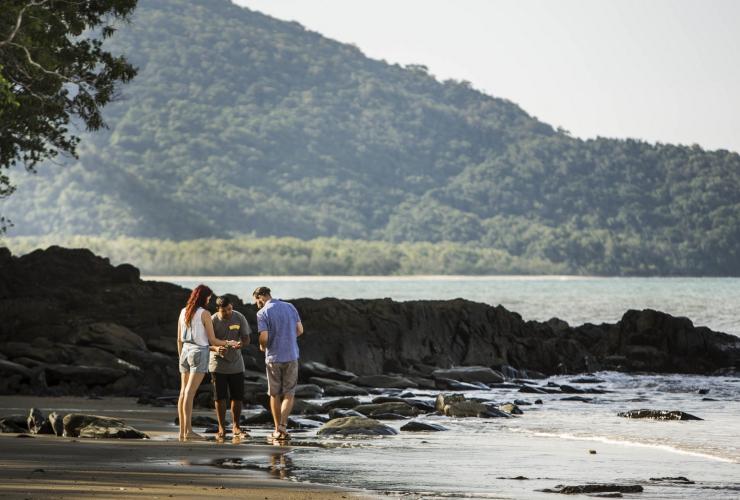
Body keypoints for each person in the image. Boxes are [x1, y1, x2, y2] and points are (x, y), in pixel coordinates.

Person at [177, 284, 233, 441]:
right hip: (199, 353)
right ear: (204, 297)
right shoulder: (205, 313)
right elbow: (212, 340)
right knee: (190, 393)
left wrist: (181, 355)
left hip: (185, 352)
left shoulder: (183, 312)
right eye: (209, 297)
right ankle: (188, 432)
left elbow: (179, 338)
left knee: (183, 392)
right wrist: (228, 343)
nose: (209, 300)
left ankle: (182, 431)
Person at [253, 286, 303, 441]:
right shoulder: (290, 307)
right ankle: (283, 427)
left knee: (274, 393)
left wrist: (262, 346)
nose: (257, 304)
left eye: (256, 301)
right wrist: (287, 337)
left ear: (260, 297)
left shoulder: (262, 313)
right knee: (289, 393)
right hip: (291, 355)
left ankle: (277, 430)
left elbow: (264, 337)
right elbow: (300, 330)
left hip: (274, 358)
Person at [209, 295, 251, 440]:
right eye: (225, 311)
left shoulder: (239, 317)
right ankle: (221, 427)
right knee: (220, 398)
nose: (228, 313)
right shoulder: (212, 320)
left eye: (230, 309)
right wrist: (216, 349)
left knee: (237, 397)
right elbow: (205, 343)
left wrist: (241, 344)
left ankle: (236, 426)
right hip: (217, 365)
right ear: (218, 309)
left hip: (236, 364)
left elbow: (247, 338)